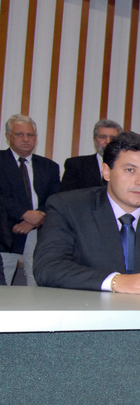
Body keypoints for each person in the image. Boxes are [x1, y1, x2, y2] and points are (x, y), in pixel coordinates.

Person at [33, 131, 140, 293]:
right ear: (106, 172)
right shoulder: (68, 207)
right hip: (85, 309)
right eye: (130, 170)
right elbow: (48, 267)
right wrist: (117, 281)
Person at [0, 114, 61, 286]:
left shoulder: (49, 166)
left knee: (38, 284)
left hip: (39, 232)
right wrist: (24, 214)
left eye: (30, 135)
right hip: (5, 232)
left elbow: (55, 198)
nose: (26, 139)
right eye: (19, 134)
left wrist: (35, 220)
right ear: (8, 136)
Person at [61, 119, 122, 191]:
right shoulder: (76, 165)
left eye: (112, 138)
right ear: (94, 140)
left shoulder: (127, 166)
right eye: (102, 137)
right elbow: (67, 195)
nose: (107, 141)